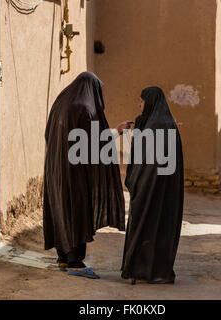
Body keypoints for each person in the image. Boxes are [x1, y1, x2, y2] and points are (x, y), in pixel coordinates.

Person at [43, 72, 131, 278]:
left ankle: (63, 257)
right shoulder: (85, 108)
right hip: (75, 173)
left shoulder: (60, 105)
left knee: (61, 209)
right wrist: (117, 133)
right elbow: (95, 142)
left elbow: (50, 135)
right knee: (77, 210)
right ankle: (75, 262)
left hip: (56, 170)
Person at [121, 86, 184, 284]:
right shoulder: (166, 123)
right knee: (161, 227)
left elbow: (146, 163)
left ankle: (140, 270)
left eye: (141, 101)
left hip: (151, 188)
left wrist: (136, 184)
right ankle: (158, 272)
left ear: (150, 102)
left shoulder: (156, 127)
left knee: (145, 224)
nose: (139, 105)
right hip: (167, 190)